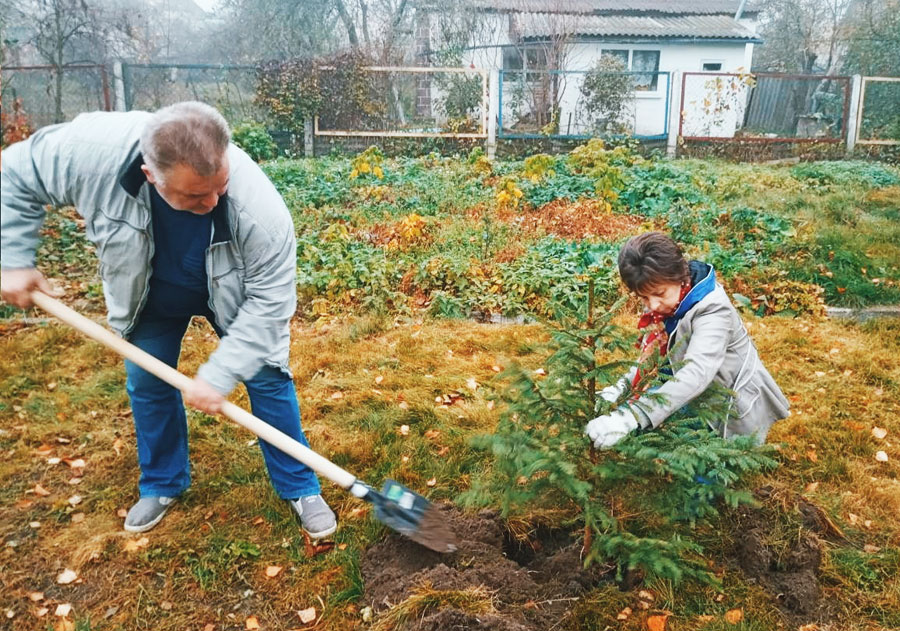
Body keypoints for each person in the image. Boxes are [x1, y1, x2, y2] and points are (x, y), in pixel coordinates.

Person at [1, 102, 337, 538]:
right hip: (148, 288)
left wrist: (220, 374)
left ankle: (301, 486)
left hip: (233, 291)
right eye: (196, 196)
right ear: (150, 176)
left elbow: (269, 307)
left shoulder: (261, 211)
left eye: (220, 186)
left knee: (268, 376)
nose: (213, 201)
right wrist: (13, 258)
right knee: (147, 380)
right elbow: (14, 171)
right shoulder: (89, 152)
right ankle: (162, 482)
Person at [585, 231, 789, 449]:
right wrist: (620, 389)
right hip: (682, 383)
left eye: (659, 294)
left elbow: (696, 372)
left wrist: (633, 416)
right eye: (644, 297)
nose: (652, 305)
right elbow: (650, 357)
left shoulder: (713, 310)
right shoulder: (666, 304)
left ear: (680, 276)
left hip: (725, 403)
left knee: (703, 474)